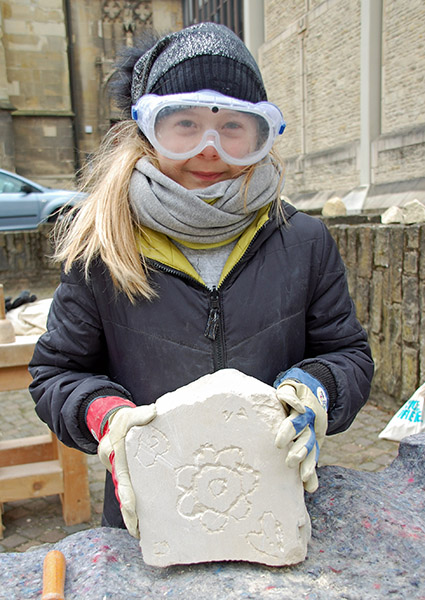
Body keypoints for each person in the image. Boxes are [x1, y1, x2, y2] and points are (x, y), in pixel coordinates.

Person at [29, 22, 374, 538]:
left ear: (262, 136)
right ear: (147, 131)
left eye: (234, 126)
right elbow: (57, 373)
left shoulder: (303, 241)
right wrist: (104, 415)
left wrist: (316, 390)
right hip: (147, 517)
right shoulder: (103, 245)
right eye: (184, 124)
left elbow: (347, 352)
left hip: (272, 507)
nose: (210, 149)